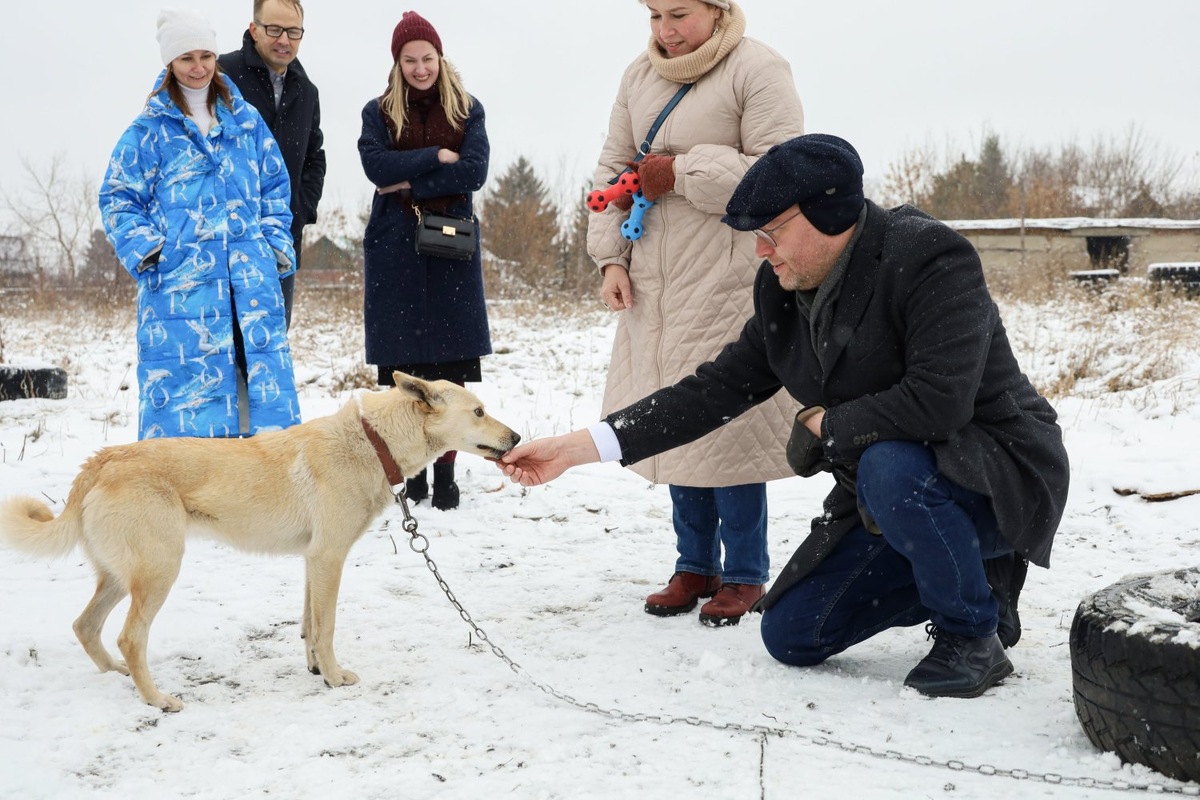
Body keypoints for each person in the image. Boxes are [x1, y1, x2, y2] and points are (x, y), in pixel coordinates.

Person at [498, 134, 1071, 699]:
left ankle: (971, 634)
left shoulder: (930, 258)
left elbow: (940, 401)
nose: (761, 251)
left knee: (888, 465)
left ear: (828, 214)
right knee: (794, 633)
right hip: (894, 495)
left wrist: (828, 427)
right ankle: (968, 575)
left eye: (770, 233)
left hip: (994, 476)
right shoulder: (784, 290)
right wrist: (576, 448)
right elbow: (711, 392)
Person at [587, 0, 805, 626]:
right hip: (654, 284)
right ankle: (694, 565)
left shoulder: (758, 68)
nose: (665, 31)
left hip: (729, 280)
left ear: (716, 8)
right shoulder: (638, 75)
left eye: (678, 14)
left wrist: (681, 172)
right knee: (672, 416)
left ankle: (744, 573)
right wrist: (611, 259)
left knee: (728, 424)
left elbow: (780, 175)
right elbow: (611, 171)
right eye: (654, 15)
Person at [100, 8, 299, 440]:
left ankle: (253, 477)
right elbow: (118, 197)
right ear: (170, 62)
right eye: (186, 57)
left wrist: (273, 245)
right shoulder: (149, 131)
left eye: (206, 55)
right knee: (185, 412)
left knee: (258, 404)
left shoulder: (246, 122)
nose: (198, 67)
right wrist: (153, 252)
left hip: (249, 282)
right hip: (181, 289)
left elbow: (275, 188)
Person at [357, 11, 490, 510]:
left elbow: (474, 171)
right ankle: (411, 476)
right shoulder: (378, 111)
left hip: (450, 247)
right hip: (395, 249)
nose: (420, 68)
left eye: (427, 58)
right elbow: (375, 167)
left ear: (440, 57)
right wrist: (437, 157)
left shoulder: (467, 109)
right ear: (398, 63)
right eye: (409, 60)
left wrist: (408, 180)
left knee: (450, 371)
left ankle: (447, 478)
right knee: (406, 373)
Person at [219, 0, 326, 330]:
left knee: (271, 339)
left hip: (281, 242)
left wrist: (300, 212)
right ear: (254, 29)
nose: (284, 40)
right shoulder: (222, 75)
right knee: (221, 343)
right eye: (275, 29)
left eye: (293, 32)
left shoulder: (306, 91)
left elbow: (314, 158)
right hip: (224, 241)